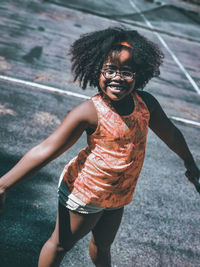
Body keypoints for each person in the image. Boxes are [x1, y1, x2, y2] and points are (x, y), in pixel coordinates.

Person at [0, 27, 199, 267]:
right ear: (96, 71)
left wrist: (189, 161)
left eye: (127, 71)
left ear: (139, 74)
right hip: (86, 192)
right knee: (60, 244)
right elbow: (47, 149)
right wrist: (4, 184)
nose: (117, 77)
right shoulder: (89, 112)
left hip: (119, 192)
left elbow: (171, 134)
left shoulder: (146, 104)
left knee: (103, 245)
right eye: (110, 70)